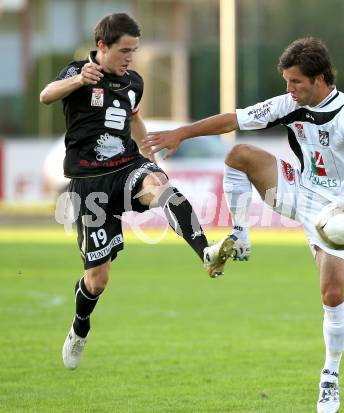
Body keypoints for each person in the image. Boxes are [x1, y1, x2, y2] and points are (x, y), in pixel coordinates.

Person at [143, 37, 344, 413]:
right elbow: (236, 118)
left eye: (296, 82)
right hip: (300, 189)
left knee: (331, 295)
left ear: (319, 79)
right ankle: (240, 234)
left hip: (342, 213)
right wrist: (183, 132)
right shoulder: (289, 104)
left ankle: (330, 376)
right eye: (286, 82)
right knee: (238, 155)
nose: (289, 90)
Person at [39, 13, 233, 371]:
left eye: (135, 50)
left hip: (126, 166)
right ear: (102, 46)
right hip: (88, 183)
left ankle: (205, 251)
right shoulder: (77, 72)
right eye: (124, 50)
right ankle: (80, 327)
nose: (131, 57)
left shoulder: (133, 82)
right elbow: (46, 95)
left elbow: (133, 115)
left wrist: (148, 146)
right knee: (97, 279)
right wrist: (79, 80)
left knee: (161, 188)